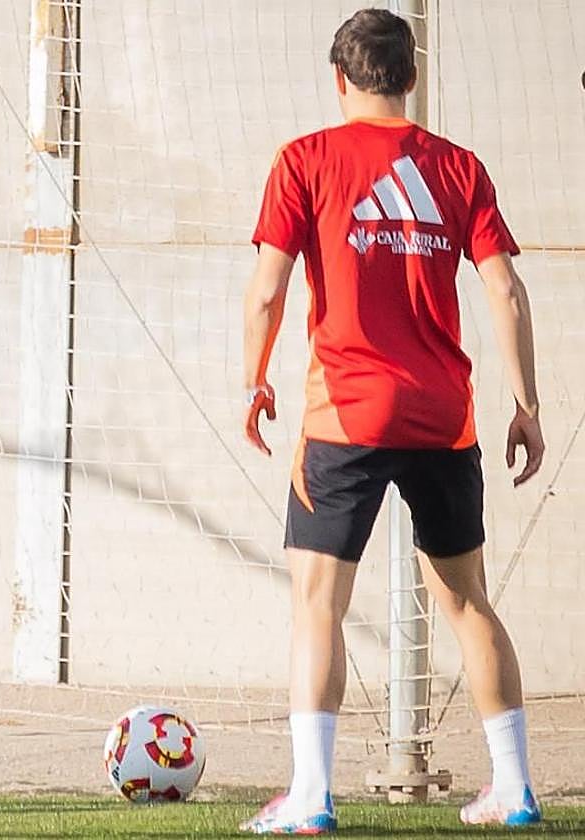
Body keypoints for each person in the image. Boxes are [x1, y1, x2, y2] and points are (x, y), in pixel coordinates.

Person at [240, 9, 543, 833]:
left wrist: (254, 380)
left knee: (316, 606)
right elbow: (506, 290)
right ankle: (514, 789)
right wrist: (526, 404)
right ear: (411, 77)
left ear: (339, 79)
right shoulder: (460, 168)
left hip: (345, 415)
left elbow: (267, 289)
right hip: (443, 417)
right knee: (468, 601)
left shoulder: (305, 160)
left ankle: (310, 797)